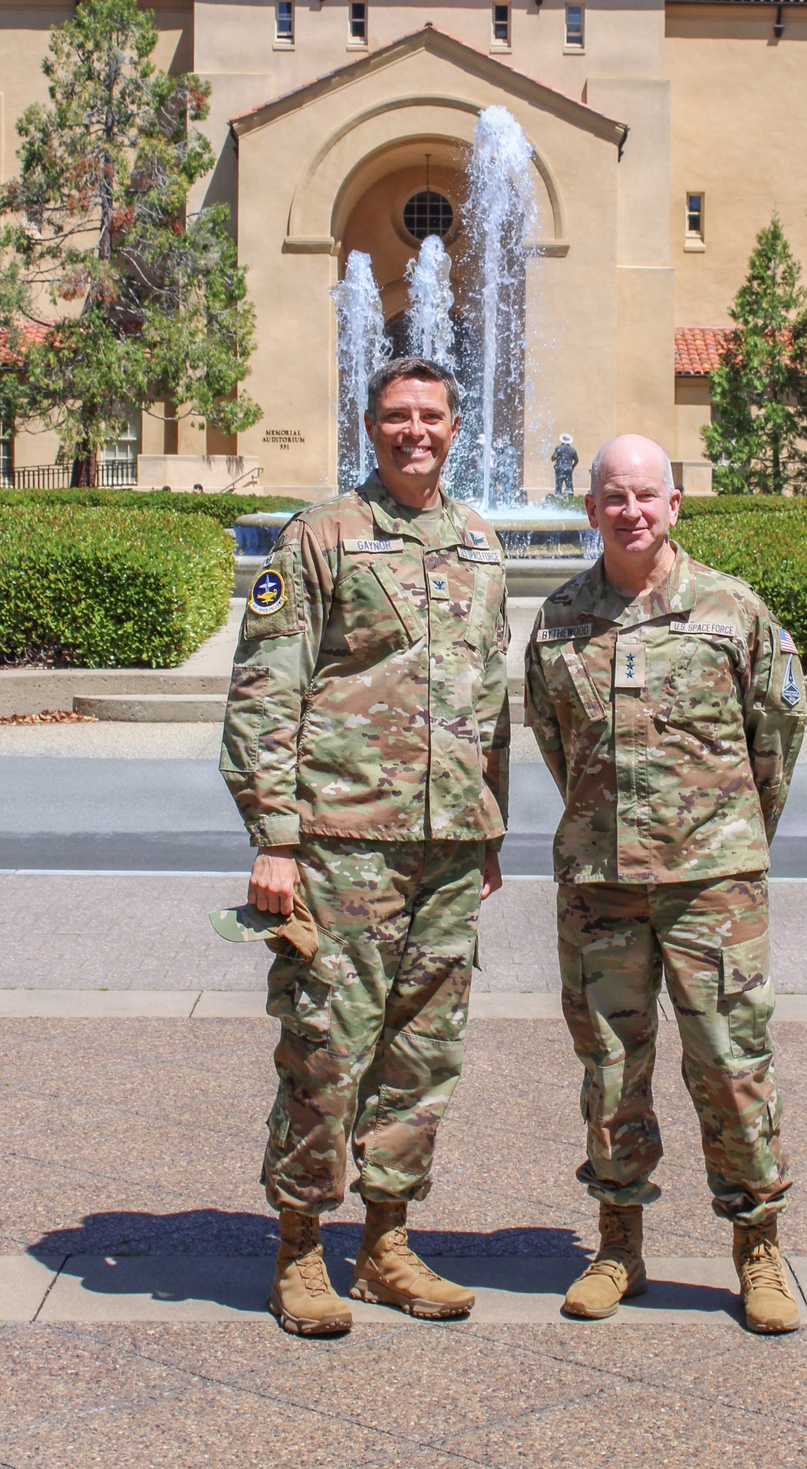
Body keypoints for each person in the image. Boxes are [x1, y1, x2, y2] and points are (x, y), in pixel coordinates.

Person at [220, 355, 510, 1337]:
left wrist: (490, 825)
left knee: (423, 1057)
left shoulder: (479, 540)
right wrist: (276, 838)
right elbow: (265, 694)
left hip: (448, 851)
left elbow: (489, 698)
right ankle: (300, 1248)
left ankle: (385, 1243)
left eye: (431, 415)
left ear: (456, 427)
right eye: (397, 415)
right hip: (342, 846)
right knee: (324, 1048)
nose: (414, 430)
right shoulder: (320, 537)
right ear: (371, 424)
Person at [523, 434, 807, 1334]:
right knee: (610, 1071)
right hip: (601, 887)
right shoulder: (561, 618)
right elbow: (552, 739)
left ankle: (757, 1245)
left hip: (713, 887)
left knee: (731, 1066)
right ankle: (618, 1243)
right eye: (615, 497)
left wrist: (730, 833)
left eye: (648, 495)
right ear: (591, 507)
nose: (632, 511)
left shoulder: (732, 613)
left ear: (675, 505)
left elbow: (779, 734)